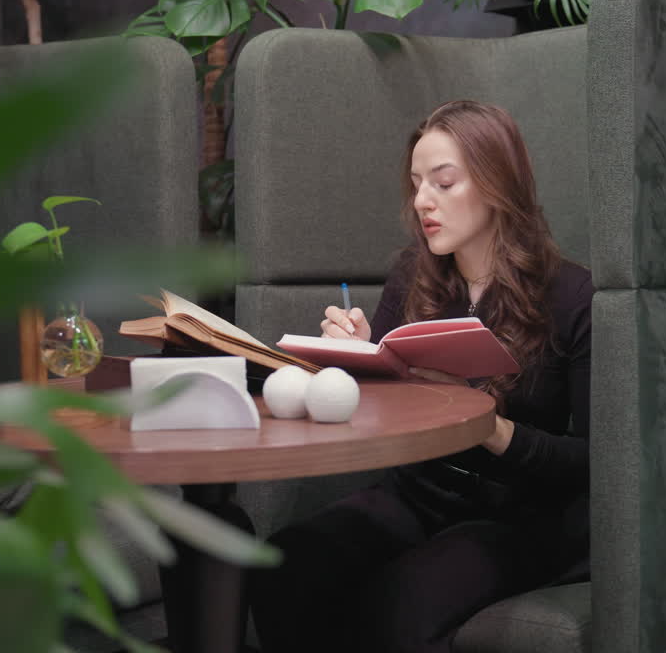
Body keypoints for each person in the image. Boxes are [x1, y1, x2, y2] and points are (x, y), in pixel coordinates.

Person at [248, 100, 593, 653]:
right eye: (415, 183)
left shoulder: (571, 295)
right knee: (283, 567)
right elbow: (381, 412)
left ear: (498, 185)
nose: (422, 201)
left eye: (444, 182)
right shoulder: (414, 275)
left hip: (516, 517)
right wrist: (360, 359)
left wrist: (487, 425)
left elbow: (592, 461)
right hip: (416, 494)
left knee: (399, 607)